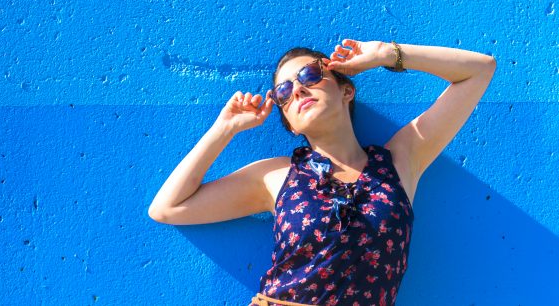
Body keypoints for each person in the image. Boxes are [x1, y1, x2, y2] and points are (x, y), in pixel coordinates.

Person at [148, 40, 496, 305]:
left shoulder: (400, 161)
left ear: (346, 90)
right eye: (284, 92)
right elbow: (167, 207)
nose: (298, 89)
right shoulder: (277, 177)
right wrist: (223, 129)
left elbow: (479, 70)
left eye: (310, 75)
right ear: (289, 123)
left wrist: (385, 54)